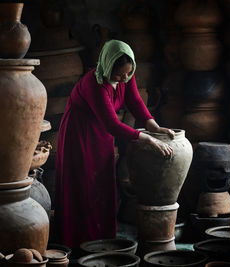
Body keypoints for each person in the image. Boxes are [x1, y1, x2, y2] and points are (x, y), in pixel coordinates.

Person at [54, 40, 175, 248]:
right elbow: (112, 124)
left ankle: (101, 238)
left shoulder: (127, 74)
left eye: (128, 74)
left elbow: (135, 102)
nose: (124, 79)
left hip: (101, 133)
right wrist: (147, 138)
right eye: (119, 75)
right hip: (80, 134)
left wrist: (155, 127)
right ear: (108, 66)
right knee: (84, 184)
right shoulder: (94, 84)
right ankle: (79, 241)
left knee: (102, 183)